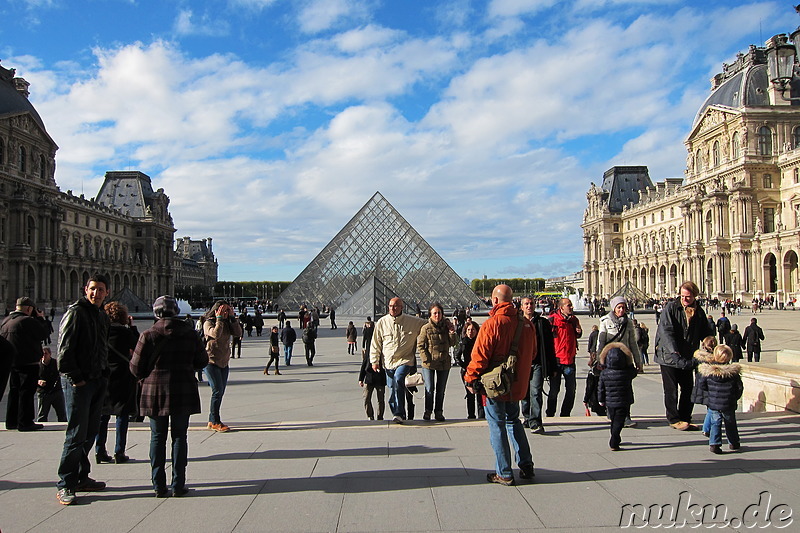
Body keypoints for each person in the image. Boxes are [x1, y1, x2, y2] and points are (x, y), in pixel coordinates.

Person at [130, 295, 208, 497]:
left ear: (156, 313)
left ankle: (158, 485)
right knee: (180, 437)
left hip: (155, 392)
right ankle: (178, 484)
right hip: (183, 389)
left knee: (157, 438)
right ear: (176, 312)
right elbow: (202, 361)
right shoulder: (190, 334)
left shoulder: (147, 335)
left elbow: (136, 368)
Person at [465, 285, 536, 485]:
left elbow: (479, 356)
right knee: (514, 420)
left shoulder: (492, 324)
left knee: (497, 426)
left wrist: (470, 378)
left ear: (495, 301)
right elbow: (533, 353)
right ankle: (526, 464)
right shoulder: (527, 325)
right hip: (517, 384)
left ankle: (504, 472)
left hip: (494, 385)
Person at [55, 274, 112, 506]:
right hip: (80, 382)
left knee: (89, 433)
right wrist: (77, 379)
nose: (96, 293)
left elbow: (101, 347)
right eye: (92, 289)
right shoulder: (75, 313)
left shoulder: (100, 315)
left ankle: (81, 476)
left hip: (97, 379)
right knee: (76, 434)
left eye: (100, 290)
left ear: (107, 292)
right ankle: (65, 484)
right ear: (84, 289)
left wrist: (104, 373)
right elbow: (64, 352)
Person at [653, 281, 714, 431]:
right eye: (682, 296)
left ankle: (685, 417)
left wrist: (709, 342)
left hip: (687, 355)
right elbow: (666, 331)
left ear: (694, 296)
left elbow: (705, 331)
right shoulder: (671, 308)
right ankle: (674, 419)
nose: (685, 299)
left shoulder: (699, 311)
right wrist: (674, 353)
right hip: (668, 356)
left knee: (688, 388)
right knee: (671, 389)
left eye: (688, 296)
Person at [370, 297, 426, 424]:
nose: (392, 308)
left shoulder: (412, 321)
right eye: (390, 306)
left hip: (405, 360)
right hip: (388, 363)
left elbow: (429, 323)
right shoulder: (382, 322)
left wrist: (445, 322)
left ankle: (398, 413)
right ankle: (399, 412)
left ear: (402, 307)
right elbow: (375, 343)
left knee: (398, 379)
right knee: (391, 391)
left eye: (395, 306)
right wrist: (374, 361)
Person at [95, 302, 139, 464]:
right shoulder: (125, 333)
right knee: (122, 415)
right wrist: (132, 327)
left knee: (103, 415)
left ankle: (100, 450)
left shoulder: (101, 333)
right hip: (122, 377)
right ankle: (119, 451)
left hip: (104, 377)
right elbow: (138, 345)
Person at [1, 296, 50, 431]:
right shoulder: (27, 320)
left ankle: (11, 421)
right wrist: (40, 318)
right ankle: (25, 422)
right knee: (27, 392)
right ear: (29, 308)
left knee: (14, 391)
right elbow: (44, 334)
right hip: (28, 361)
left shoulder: (5, 321)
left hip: (12, 363)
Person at [597, 296, 642, 427]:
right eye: (619, 307)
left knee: (626, 388)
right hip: (610, 360)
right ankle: (611, 412)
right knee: (611, 388)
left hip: (625, 359)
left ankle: (626, 416)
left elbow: (633, 343)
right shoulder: (605, 321)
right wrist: (599, 360)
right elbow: (600, 342)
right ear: (614, 308)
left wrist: (638, 361)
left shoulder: (628, 322)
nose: (622, 310)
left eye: (623, 307)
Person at [202, 301, 242, 432]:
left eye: (228, 310)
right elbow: (215, 334)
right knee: (217, 391)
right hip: (211, 361)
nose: (225, 312)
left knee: (220, 392)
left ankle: (211, 419)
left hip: (224, 362)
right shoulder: (208, 323)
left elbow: (238, 333)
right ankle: (215, 421)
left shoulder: (227, 323)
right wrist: (219, 319)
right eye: (223, 310)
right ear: (216, 311)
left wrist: (232, 318)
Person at [519, 296, 556, 433]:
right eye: (526, 304)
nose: (529, 306)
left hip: (537, 363)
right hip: (522, 363)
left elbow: (550, 346)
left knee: (535, 392)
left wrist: (552, 366)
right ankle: (527, 417)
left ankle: (536, 421)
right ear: (521, 306)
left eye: (531, 303)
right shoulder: (517, 323)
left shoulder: (543, 323)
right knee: (524, 394)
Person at [697, 344, 743, 454]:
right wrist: (734, 398)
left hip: (714, 403)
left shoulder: (709, 372)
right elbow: (739, 388)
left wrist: (711, 393)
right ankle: (734, 442)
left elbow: (702, 385)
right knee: (730, 423)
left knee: (715, 423)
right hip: (728, 403)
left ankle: (714, 444)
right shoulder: (733, 373)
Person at [417, 303, 458, 421]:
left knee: (441, 390)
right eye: (435, 313)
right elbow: (420, 345)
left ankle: (439, 412)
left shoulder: (447, 326)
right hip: (429, 363)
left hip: (444, 362)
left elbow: (453, 343)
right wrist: (425, 359)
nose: (437, 315)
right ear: (430, 314)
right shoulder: (426, 328)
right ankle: (428, 411)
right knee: (429, 388)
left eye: (439, 313)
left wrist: (452, 332)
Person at [597, 343, 637, 451]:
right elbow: (634, 371)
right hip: (623, 401)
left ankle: (615, 438)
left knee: (614, 420)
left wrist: (600, 399)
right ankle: (614, 441)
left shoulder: (604, 373)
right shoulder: (627, 372)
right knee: (619, 421)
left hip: (610, 401)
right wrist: (629, 362)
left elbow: (600, 388)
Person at [547, 298, 582, 417]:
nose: (571, 307)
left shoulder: (573, 320)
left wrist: (578, 332)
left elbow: (577, 334)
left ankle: (565, 414)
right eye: (569, 305)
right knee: (554, 391)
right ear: (561, 308)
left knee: (571, 391)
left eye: (571, 305)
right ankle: (550, 414)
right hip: (556, 361)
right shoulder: (552, 320)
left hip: (570, 360)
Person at [453, 321, 483, 419]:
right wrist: (465, 366)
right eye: (468, 330)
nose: (470, 332)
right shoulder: (463, 342)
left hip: (478, 370)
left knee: (480, 393)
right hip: (467, 372)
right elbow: (456, 356)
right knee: (470, 394)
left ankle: (482, 415)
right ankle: (471, 415)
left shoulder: (480, 341)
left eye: (473, 330)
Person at [37, 346, 67, 423]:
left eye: (46, 354)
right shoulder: (38, 365)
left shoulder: (56, 363)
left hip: (56, 392)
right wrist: (39, 381)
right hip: (43, 393)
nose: (44, 356)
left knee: (62, 414)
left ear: (50, 354)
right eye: (42, 354)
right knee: (42, 415)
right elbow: (32, 378)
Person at [358, 346, 386, 420]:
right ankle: (370, 415)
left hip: (380, 380)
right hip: (369, 379)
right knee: (366, 398)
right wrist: (361, 379)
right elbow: (363, 365)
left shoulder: (383, 354)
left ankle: (380, 416)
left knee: (381, 400)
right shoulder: (369, 353)